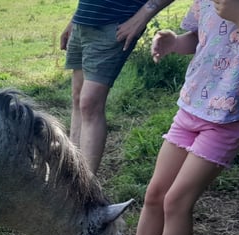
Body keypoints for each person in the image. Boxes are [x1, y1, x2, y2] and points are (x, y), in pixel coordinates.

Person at [118, 0, 239, 235]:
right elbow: (197, 38)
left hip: (228, 118)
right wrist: (174, 43)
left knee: (176, 201)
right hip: (190, 106)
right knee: (155, 193)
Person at [61, 0, 177, 174]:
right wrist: (76, 19)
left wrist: (141, 17)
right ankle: (71, 177)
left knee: (89, 104)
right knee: (78, 98)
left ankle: (85, 191)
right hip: (83, 23)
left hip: (114, 26)